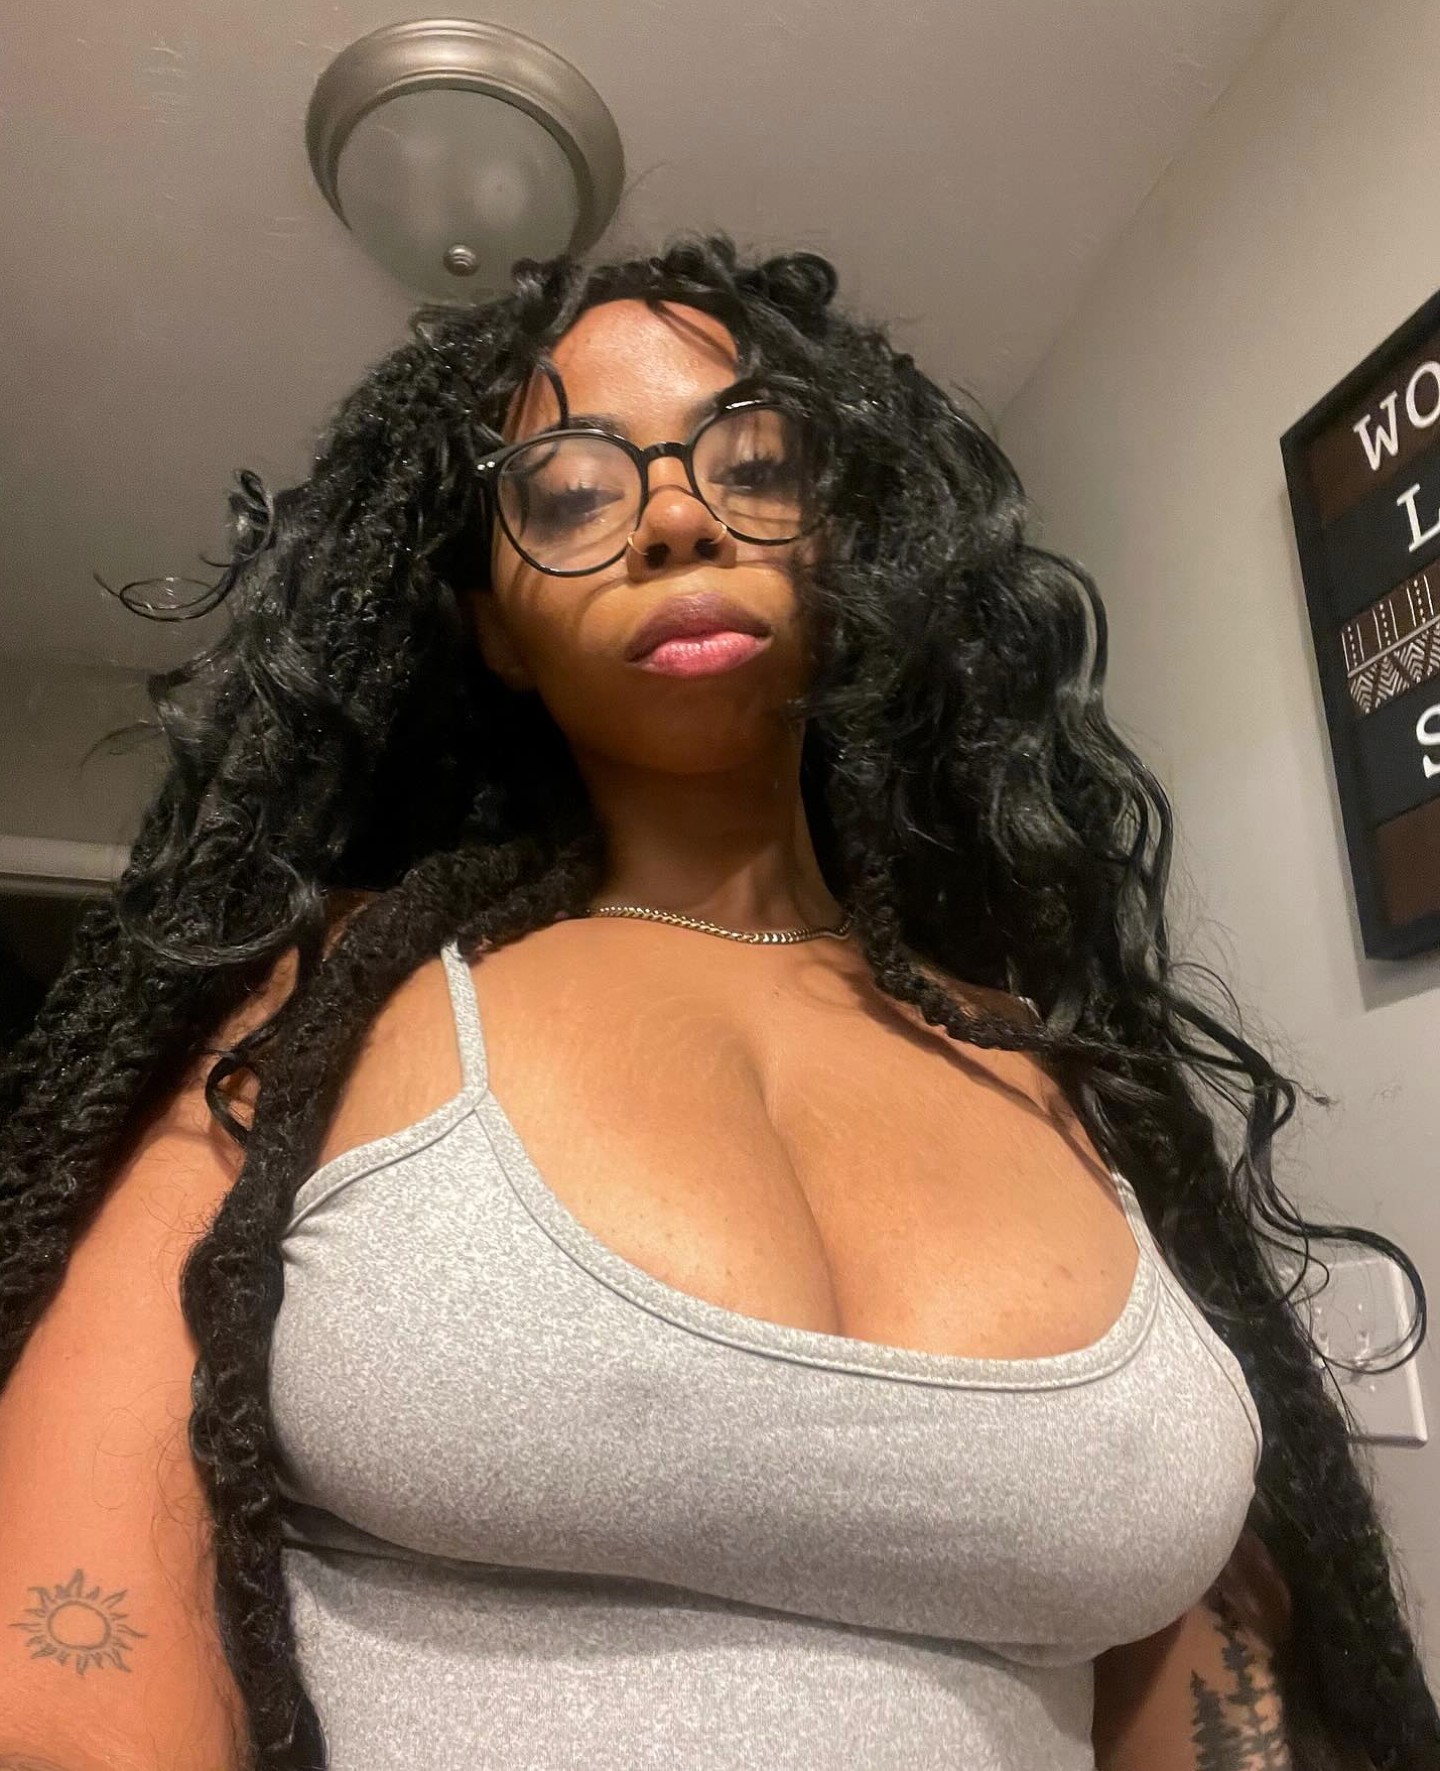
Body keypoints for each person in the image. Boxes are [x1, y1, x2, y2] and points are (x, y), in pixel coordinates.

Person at [0, 232, 1434, 1771]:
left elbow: (1204, 1678)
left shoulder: (1060, 1071)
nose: (676, 518)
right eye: (569, 493)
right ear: (491, 627)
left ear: (850, 548)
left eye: (753, 465)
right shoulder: (319, 1005)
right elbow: (74, 1677)